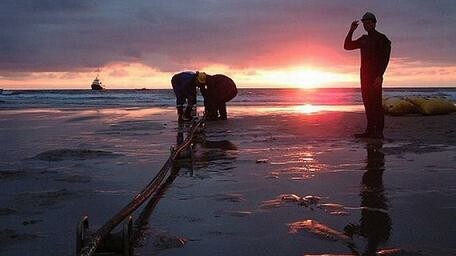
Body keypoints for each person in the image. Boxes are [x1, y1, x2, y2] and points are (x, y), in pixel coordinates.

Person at [344, 12, 391, 139]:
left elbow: (385, 59)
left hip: (375, 75)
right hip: (364, 75)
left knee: (376, 104)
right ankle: (369, 131)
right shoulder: (363, 39)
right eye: (365, 23)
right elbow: (347, 46)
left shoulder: (382, 39)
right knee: (367, 103)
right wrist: (351, 30)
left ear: (375, 23)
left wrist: (380, 76)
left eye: (369, 22)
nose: (367, 25)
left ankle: (379, 132)